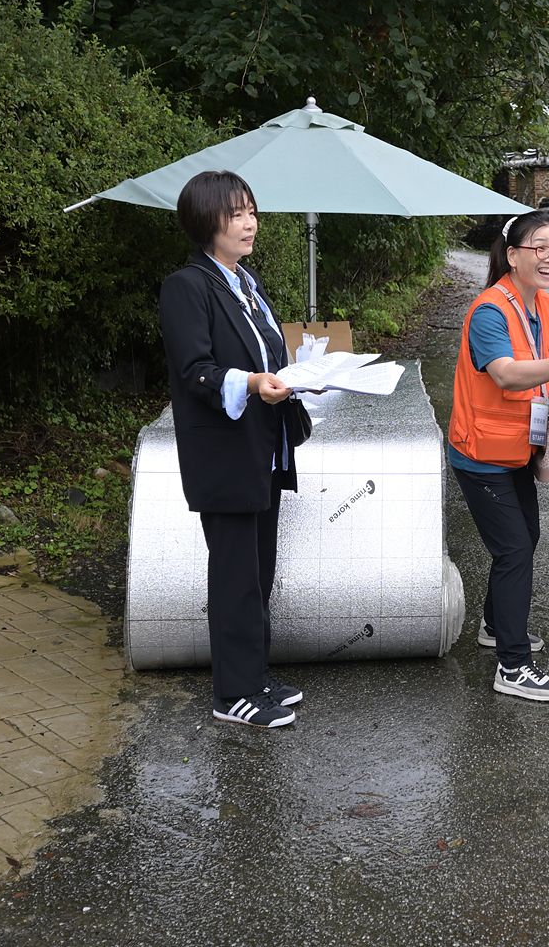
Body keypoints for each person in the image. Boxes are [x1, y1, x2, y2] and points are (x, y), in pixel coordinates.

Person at [159, 170, 311, 729]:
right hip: (224, 454)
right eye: (236, 213)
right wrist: (249, 382)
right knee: (234, 576)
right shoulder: (187, 286)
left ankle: (255, 676)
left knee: (258, 569)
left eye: (251, 211)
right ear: (207, 221)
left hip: (263, 447)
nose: (250, 223)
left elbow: (268, 354)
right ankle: (233, 695)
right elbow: (194, 370)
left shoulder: (245, 282)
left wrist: (303, 376)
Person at [447, 212, 549, 701]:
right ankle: (512, 665)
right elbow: (508, 374)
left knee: (525, 538)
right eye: (541, 247)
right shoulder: (489, 310)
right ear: (513, 255)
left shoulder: (548, 307)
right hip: (481, 453)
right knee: (514, 549)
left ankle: (496, 625)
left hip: (518, 447)